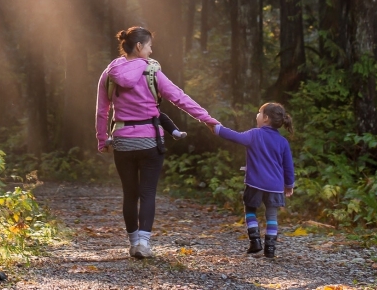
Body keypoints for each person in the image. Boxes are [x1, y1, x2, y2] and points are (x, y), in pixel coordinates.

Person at [96, 26, 220, 259]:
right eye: (150, 46)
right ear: (140, 46)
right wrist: (207, 119)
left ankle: (133, 244)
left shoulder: (109, 73)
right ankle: (144, 243)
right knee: (148, 193)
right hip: (150, 141)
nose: (152, 51)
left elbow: (102, 111)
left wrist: (103, 139)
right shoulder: (152, 71)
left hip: (122, 141)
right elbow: (179, 98)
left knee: (129, 194)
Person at [207, 102, 295, 258]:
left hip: (255, 183)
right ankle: (270, 248)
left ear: (266, 118)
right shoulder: (283, 142)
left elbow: (235, 136)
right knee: (272, 215)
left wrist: (217, 128)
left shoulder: (255, 134)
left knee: (250, 209)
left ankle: (255, 241)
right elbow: (288, 166)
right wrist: (289, 185)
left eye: (259, 113)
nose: (257, 116)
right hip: (275, 186)